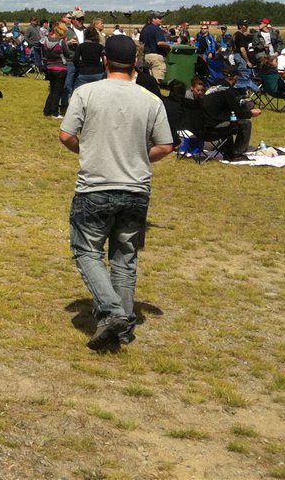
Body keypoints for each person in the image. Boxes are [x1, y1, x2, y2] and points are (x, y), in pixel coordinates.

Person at [59, 35, 173, 351]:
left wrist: (88, 149)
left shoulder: (86, 93)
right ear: (135, 63)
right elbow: (165, 145)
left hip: (95, 187)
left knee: (86, 251)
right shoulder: (151, 100)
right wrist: (136, 155)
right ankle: (121, 329)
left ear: (105, 60)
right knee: (125, 259)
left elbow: (66, 135)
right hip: (136, 190)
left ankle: (111, 314)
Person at [198, 64, 261, 162]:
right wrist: (251, 113)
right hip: (212, 127)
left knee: (228, 118)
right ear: (235, 77)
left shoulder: (214, 85)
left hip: (201, 124)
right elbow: (238, 112)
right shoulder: (228, 90)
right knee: (245, 123)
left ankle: (226, 146)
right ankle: (237, 153)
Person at [138, 12, 170, 82]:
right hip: (155, 57)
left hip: (145, 57)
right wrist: (168, 45)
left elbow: (140, 42)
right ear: (153, 19)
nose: (161, 20)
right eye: (159, 18)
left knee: (149, 81)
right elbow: (159, 43)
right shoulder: (156, 29)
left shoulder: (144, 29)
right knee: (157, 81)